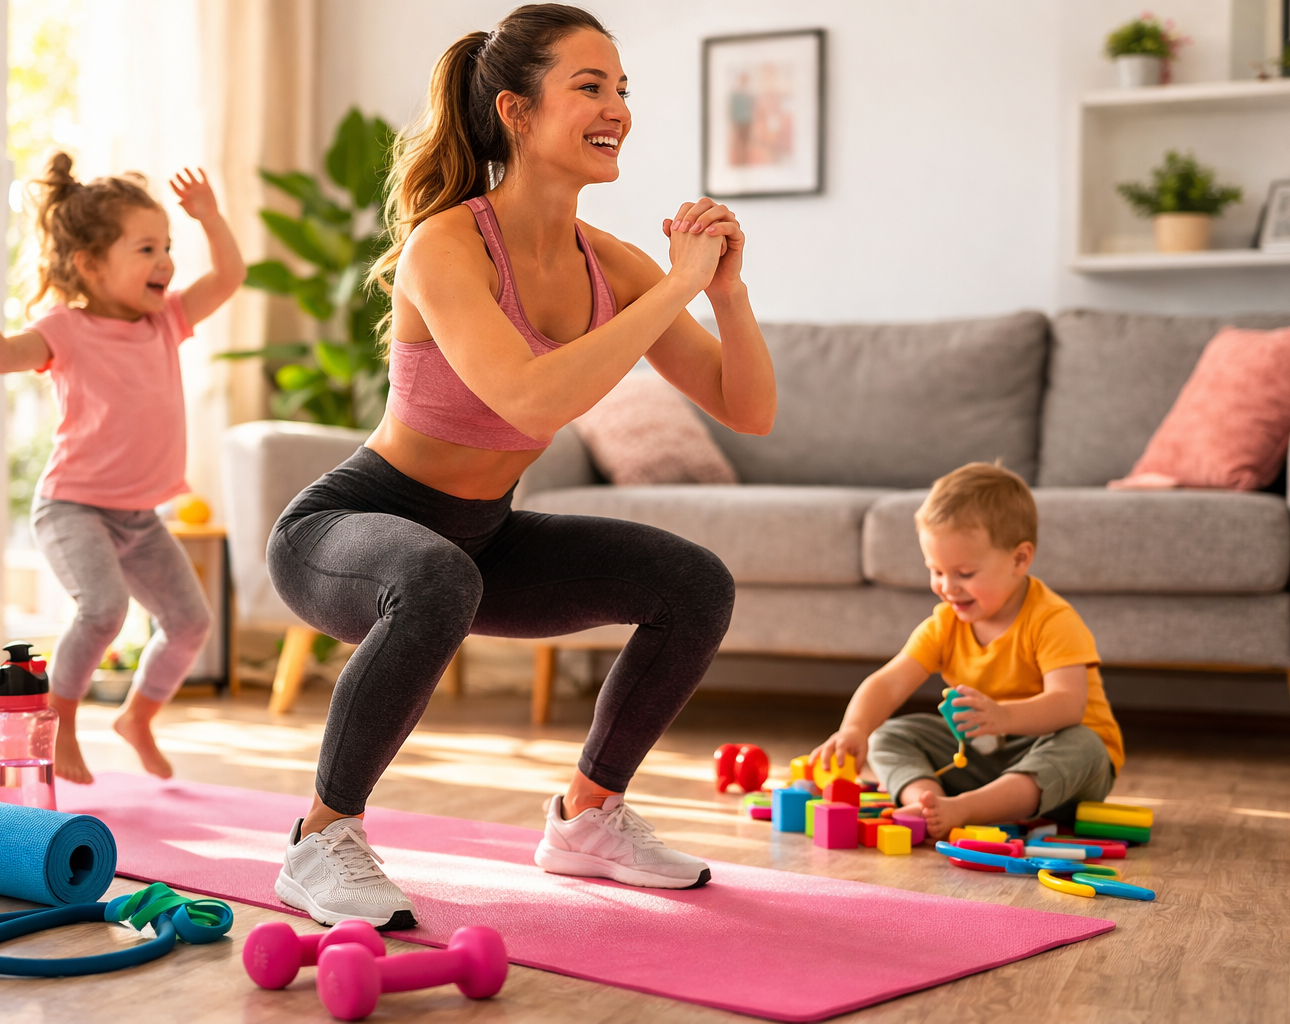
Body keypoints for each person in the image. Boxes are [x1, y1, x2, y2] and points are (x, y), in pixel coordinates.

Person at [265, 3, 777, 929]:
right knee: (434, 576)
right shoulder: (447, 244)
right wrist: (674, 285)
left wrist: (727, 296)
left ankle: (588, 820)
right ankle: (321, 838)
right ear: (515, 110)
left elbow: (751, 409)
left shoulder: (606, 265)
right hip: (346, 530)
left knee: (693, 584)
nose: (616, 105)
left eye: (621, 88)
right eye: (589, 86)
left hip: (480, 541)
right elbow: (530, 398)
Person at [0, 153, 246, 785]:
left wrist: (210, 218)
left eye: (166, 246)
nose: (165, 261)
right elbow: (2, 357)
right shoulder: (65, 328)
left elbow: (229, 275)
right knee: (103, 609)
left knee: (191, 622)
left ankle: (136, 717)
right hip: (72, 506)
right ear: (89, 264)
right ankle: (61, 719)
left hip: (138, 517)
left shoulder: (167, 321)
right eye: (146, 249)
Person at [811, 463, 1126, 840]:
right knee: (888, 736)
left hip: (1061, 765)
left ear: (1019, 559)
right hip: (981, 752)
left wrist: (1003, 717)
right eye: (936, 571)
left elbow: (1069, 704)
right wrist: (854, 730)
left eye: (964, 573)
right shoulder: (945, 623)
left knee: (1085, 745)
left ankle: (967, 809)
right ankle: (929, 803)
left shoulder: (1052, 619)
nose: (947, 587)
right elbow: (890, 683)